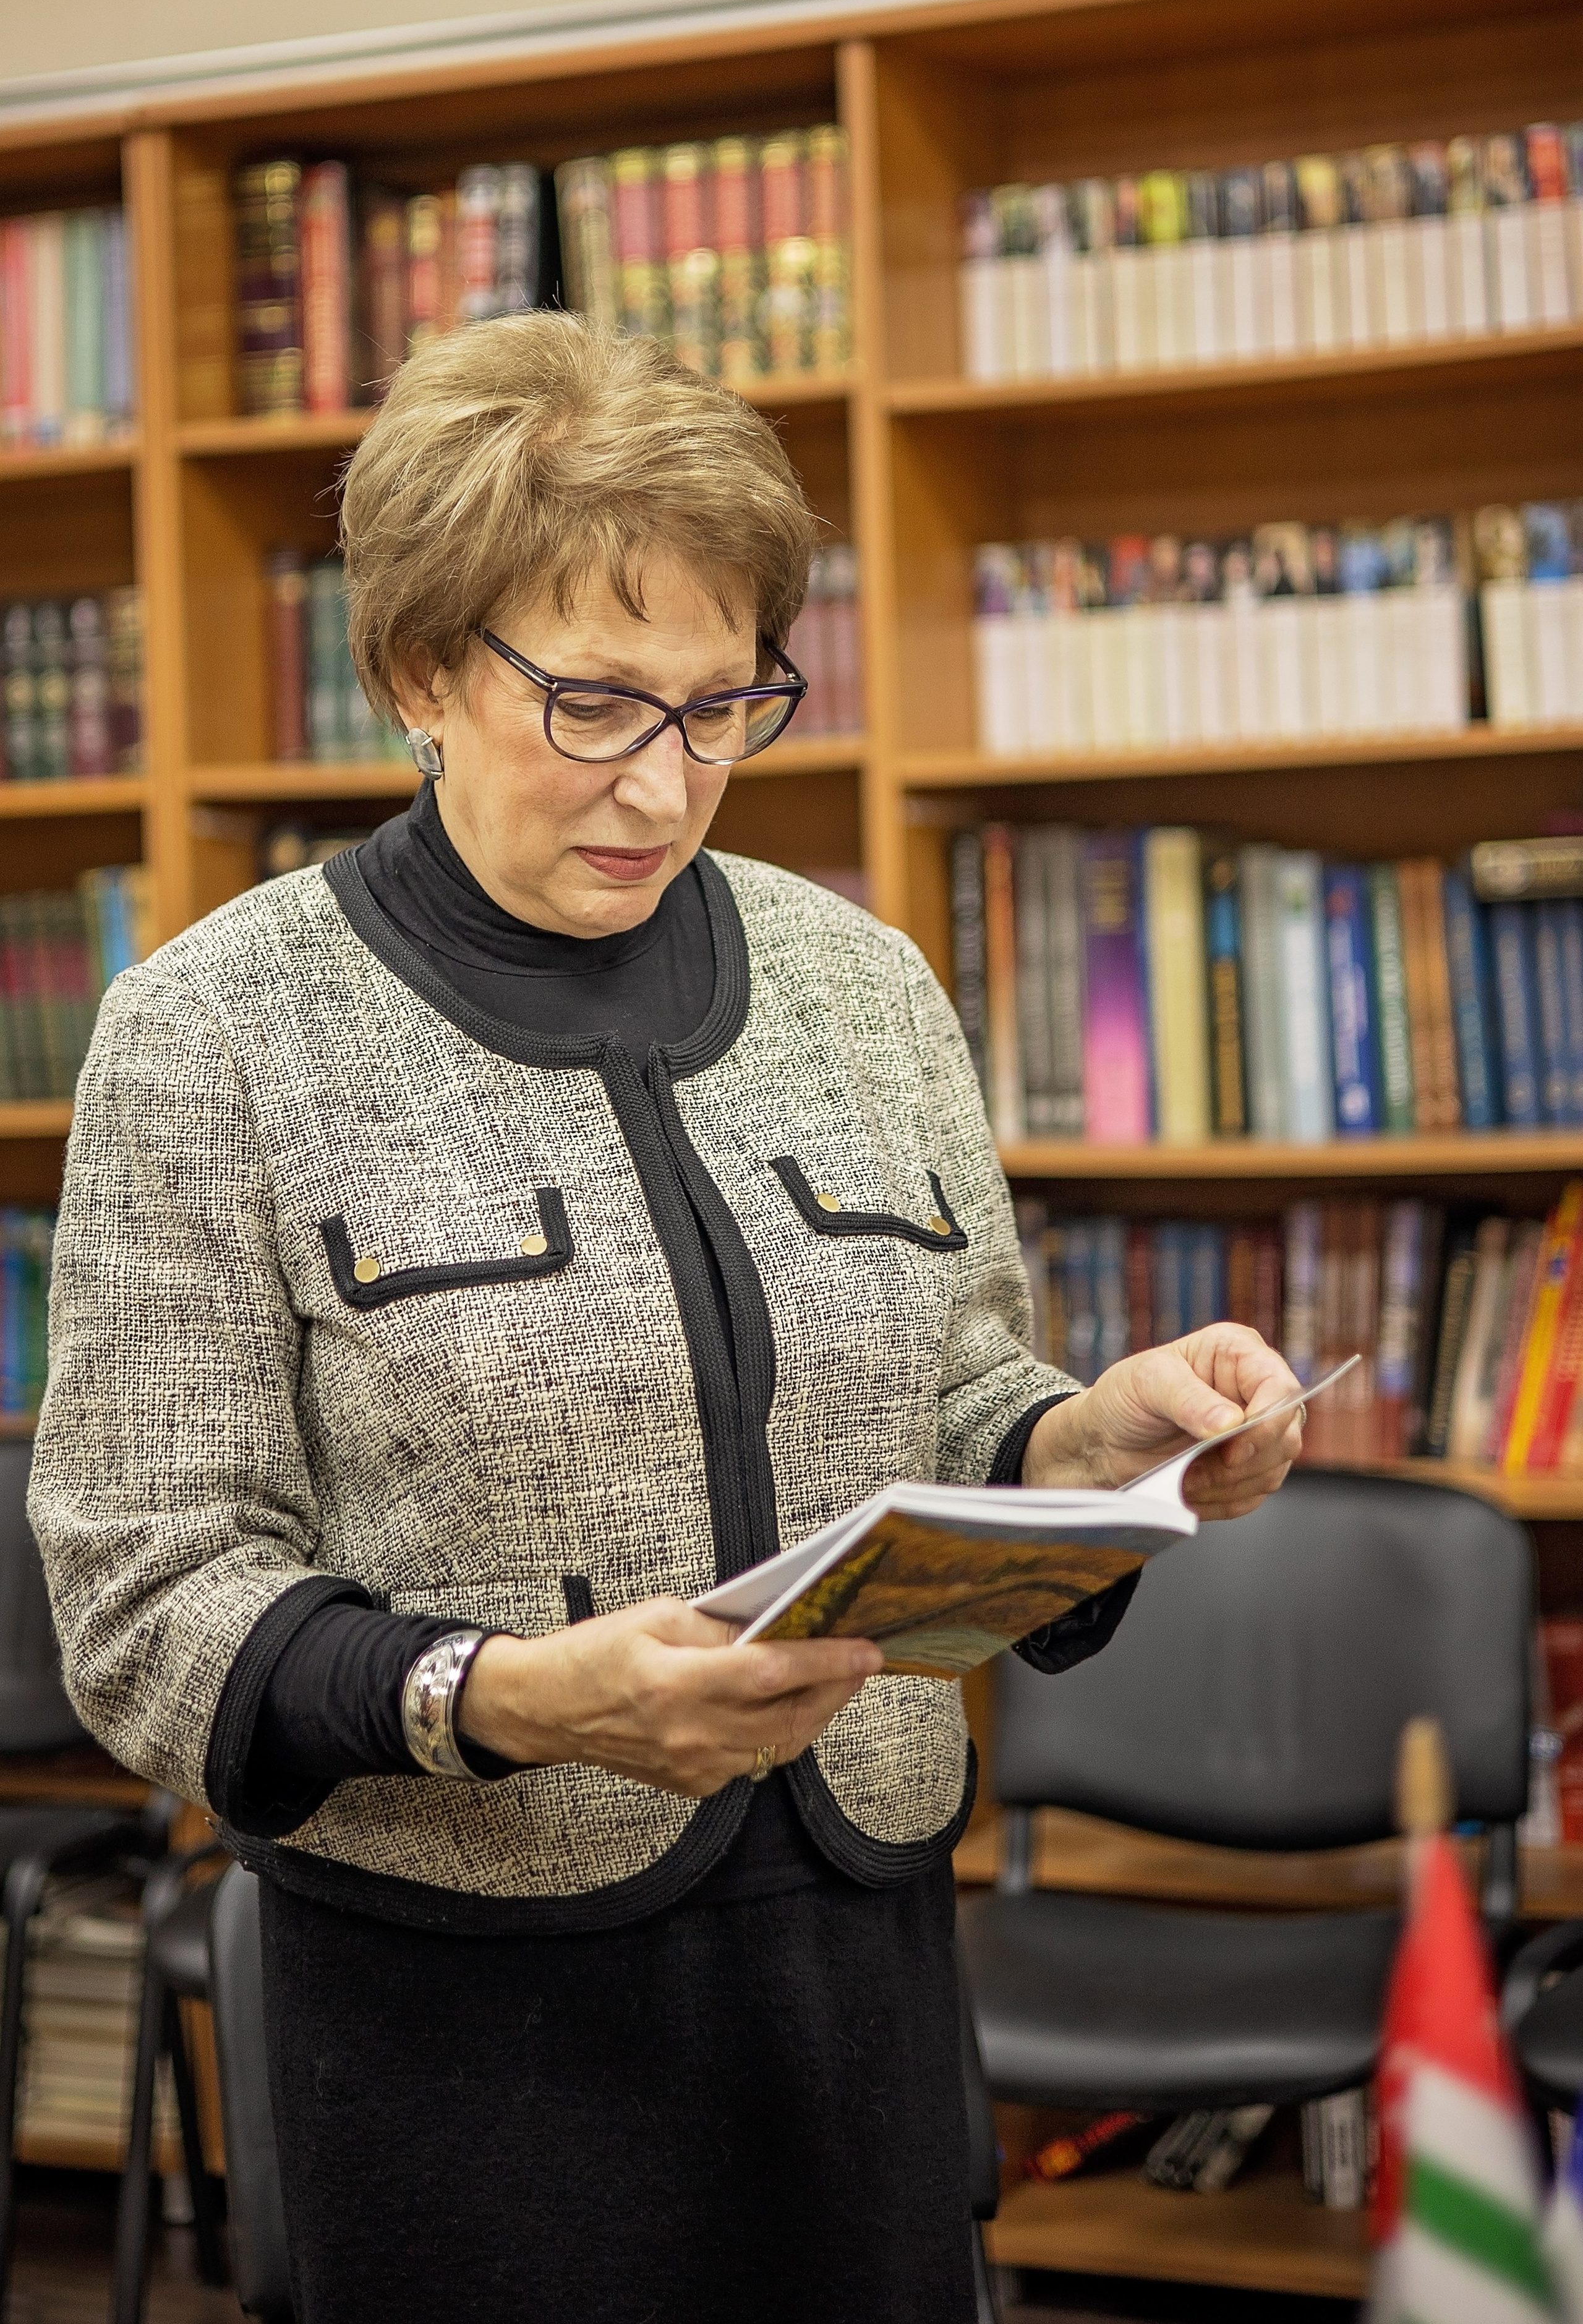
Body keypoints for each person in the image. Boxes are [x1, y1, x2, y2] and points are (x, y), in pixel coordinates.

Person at [32, 313, 1303, 2324]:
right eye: (599, 704)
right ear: (420, 674)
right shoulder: (211, 1032)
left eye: (727, 707)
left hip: (857, 1964)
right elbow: (145, 1601)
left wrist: (1090, 1442)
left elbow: (956, 1391)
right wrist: (508, 1695)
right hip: (468, 2020)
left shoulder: (865, 984)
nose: (668, 781)